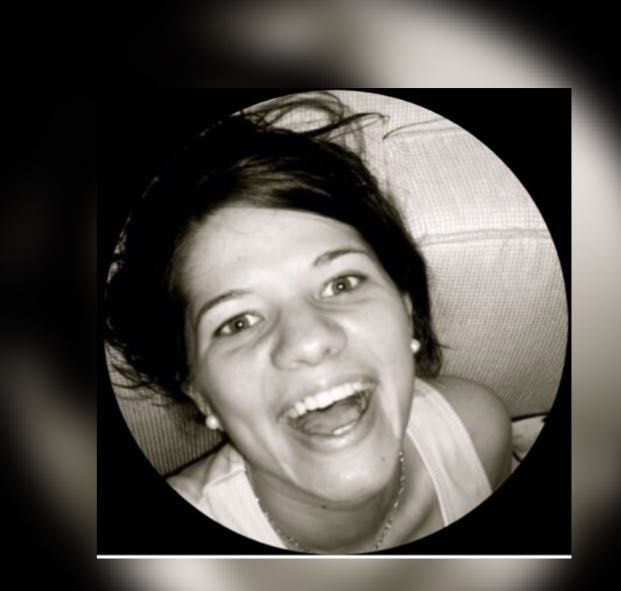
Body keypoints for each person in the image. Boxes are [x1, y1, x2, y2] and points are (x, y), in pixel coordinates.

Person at [104, 93, 512, 554]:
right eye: (238, 322)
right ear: (197, 389)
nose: (309, 341)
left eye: (341, 283)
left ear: (407, 311)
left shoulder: (475, 431)